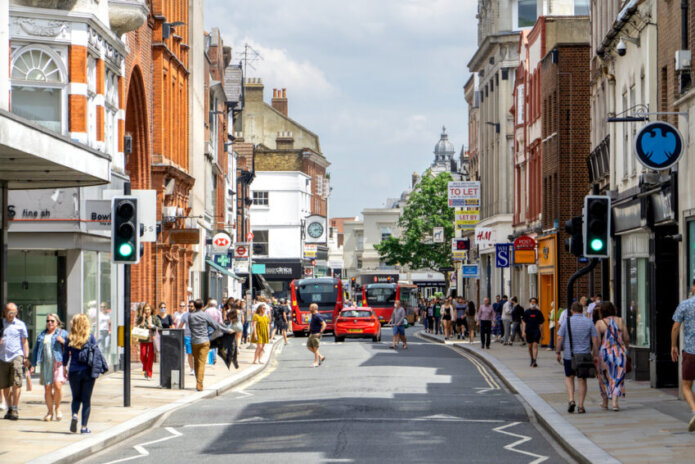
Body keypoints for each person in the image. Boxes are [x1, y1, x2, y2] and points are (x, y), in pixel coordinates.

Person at [63, 313, 108, 433]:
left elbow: (66, 355)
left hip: (74, 371)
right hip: (87, 371)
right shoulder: (90, 337)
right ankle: (84, 427)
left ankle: (74, 415)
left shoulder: (69, 338)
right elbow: (95, 353)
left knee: (76, 397)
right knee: (86, 400)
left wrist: (64, 367)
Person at [556, 302, 599, 415]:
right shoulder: (589, 322)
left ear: (572, 311)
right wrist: (595, 354)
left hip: (569, 356)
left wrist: (557, 352)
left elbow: (559, 338)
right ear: (582, 310)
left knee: (569, 377)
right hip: (584, 356)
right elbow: (595, 340)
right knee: (582, 380)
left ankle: (571, 400)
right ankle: (581, 406)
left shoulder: (567, 321)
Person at [187, 299, 233, 391]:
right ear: (202, 306)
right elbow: (216, 325)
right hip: (204, 341)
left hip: (194, 341)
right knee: (202, 363)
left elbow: (191, 328)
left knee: (196, 361)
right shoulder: (205, 315)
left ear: (194, 306)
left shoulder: (190, 316)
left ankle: (198, 382)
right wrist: (228, 330)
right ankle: (199, 384)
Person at [30, 313, 68, 421]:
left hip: (58, 363)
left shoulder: (63, 333)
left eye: (52, 321)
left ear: (57, 322)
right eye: (48, 321)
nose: (49, 323)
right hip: (46, 364)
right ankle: (50, 412)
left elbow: (72, 345)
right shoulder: (42, 335)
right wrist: (33, 364)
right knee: (47, 388)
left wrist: (63, 341)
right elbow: (36, 350)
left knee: (58, 386)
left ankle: (58, 409)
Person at [595, 301, 629, 411]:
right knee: (617, 377)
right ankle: (614, 402)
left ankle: (605, 401)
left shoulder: (599, 323)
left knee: (603, 376)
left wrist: (595, 354)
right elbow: (626, 337)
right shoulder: (620, 321)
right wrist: (626, 348)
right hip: (619, 353)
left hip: (605, 354)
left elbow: (597, 341)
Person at [671, 278, 695, 432]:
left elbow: (675, 327)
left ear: (693, 287)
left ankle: (694, 410)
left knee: (686, 385)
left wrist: (673, 345)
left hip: (691, 352)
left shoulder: (685, 304)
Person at [0, 303, 29, 420]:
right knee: (5, 385)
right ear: (4, 312)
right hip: (2, 357)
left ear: (16, 313)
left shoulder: (20, 325)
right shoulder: (1, 324)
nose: (11, 315)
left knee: (16, 383)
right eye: (9, 312)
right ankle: (10, 408)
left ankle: (15, 408)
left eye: (13, 312)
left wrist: (25, 357)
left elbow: (24, 341)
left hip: (16, 355)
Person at [135, 304, 161, 380]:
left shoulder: (155, 318)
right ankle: (146, 368)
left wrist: (153, 326)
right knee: (142, 356)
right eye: (145, 310)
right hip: (143, 339)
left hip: (152, 340)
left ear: (151, 310)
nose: (147, 311)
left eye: (148, 309)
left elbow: (160, 327)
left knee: (150, 357)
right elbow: (139, 327)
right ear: (143, 311)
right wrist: (143, 319)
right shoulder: (141, 318)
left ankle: (149, 373)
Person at [522, 297, 544, 367]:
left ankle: (534, 360)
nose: (533, 303)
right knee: (530, 347)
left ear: (536, 303)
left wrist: (542, 334)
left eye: (534, 302)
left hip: (536, 330)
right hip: (528, 331)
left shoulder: (538, 312)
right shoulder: (527, 312)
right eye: (531, 302)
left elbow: (541, 324)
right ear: (530, 303)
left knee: (535, 345)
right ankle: (532, 359)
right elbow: (524, 322)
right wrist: (523, 331)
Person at [176, 300, 196, 375]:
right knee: (190, 353)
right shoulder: (185, 315)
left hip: (197, 337)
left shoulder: (198, 314)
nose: (190, 307)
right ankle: (192, 369)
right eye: (189, 306)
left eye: (192, 306)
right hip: (187, 336)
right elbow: (180, 326)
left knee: (196, 354)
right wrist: (177, 334)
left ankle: (196, 367)